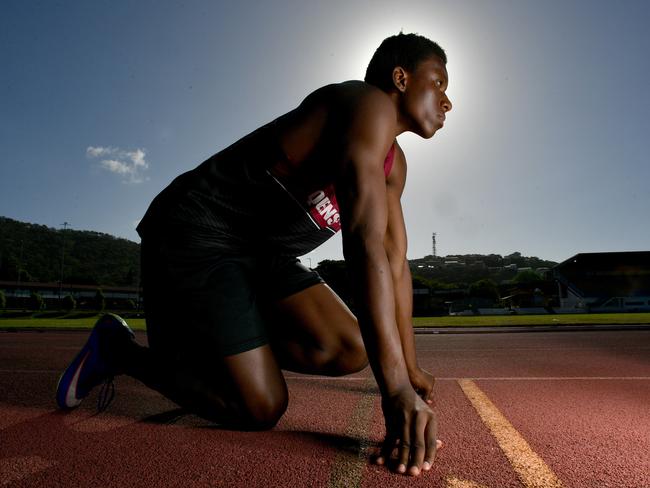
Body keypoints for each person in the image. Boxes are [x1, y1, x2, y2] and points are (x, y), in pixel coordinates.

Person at [56, 32, 452, 477]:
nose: (447, 102)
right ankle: (120, 349)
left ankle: (228, 348)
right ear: (400, 78)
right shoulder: (365, 104)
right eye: (439, 83)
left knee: (348, 346)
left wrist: (411, 369)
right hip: (196, 234)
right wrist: (394, 388)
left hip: (258, 256)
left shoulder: (394, 165)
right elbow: (362, 242)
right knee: (259, 407)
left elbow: (394, 261)